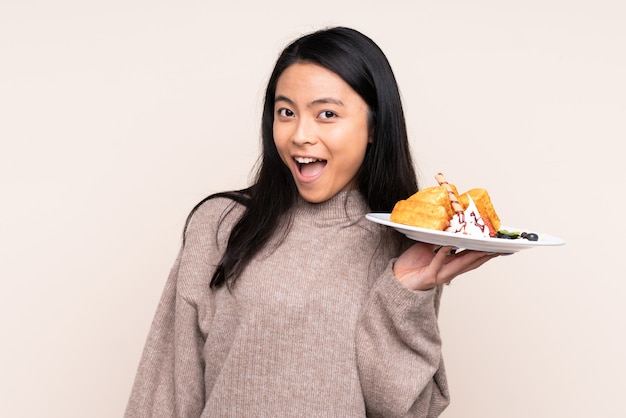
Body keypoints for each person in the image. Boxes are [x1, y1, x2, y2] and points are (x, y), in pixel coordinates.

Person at [125, 26, 499, 417]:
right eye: (286, 112)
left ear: (374, 126)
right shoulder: (221, 224)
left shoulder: (409, 239)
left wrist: (404, 290)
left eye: (327, 114)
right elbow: (164, 390)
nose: (300, 135)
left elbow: (402, 410)